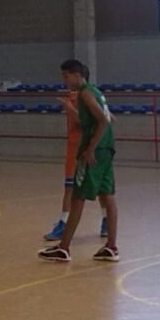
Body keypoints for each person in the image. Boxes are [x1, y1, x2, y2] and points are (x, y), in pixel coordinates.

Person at [38, 60, 119, 262]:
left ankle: (63, 248)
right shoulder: (96, 92)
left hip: (95, 151)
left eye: (66, 76)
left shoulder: (85, 93)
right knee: (108, 197)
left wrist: (90, 148)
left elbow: (102, 120)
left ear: (76, 75)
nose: (64, 81)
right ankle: (111, 247)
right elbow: (108, 118)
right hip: (107, 150)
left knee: (77, 197)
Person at [45, 83, 108, 242]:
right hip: (75, 148)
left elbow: (86, 123)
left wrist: (70, 108)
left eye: (67, 75)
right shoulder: (81, 96)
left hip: (84, 149)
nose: (65, 80)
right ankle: (65, 223)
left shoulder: (85, 97)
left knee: (95, 190)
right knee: (71, 188)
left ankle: (66, 226)